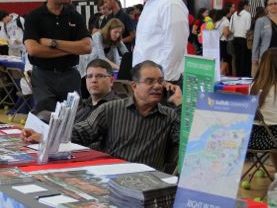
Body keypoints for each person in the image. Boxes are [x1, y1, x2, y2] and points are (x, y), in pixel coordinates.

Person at [23, 61, 182, 172]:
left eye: (160, 81)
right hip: (111, 176)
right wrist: (45, 135)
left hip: (148, 182)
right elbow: (81, 132)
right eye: (150, 81)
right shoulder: (111, 109)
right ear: (134, 86)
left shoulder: (169, 116)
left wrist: (180, 104)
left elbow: (188, 144)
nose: (157, 86)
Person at [24, 0, 92, 113]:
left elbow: (87, 47)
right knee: (45, 118)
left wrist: (53, 43)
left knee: (73, 119)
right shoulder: (34, 17)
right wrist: (72, 48)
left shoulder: (75, 16)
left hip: (70, 76)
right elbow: (34, 50)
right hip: (43, 77)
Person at [131, 0, 189, 84]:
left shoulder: (170, 3)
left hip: (163, 82)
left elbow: (175, 46)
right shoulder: (150, 4)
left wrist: (163, 80)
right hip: (146, 80)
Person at [231, 0, 252, 77]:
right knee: (245, 59)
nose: (248, 7)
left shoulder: (234, 15)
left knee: (237, 59)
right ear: (245, 6)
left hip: (235, 39)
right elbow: (248, 28)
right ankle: (245, 75)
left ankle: (238, 75)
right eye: (248, 6)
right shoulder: (247, 15)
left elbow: (231, 29)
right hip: (244, 39)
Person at [216, 7, 232, 76]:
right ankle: (220, 73)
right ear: (227, 13)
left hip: (217, 41)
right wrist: (230, 32)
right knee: (226, 58)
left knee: (221, 58)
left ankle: (222, 73)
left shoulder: (218, 21)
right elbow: (226, 34)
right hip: (223, 41)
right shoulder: (226, 21)